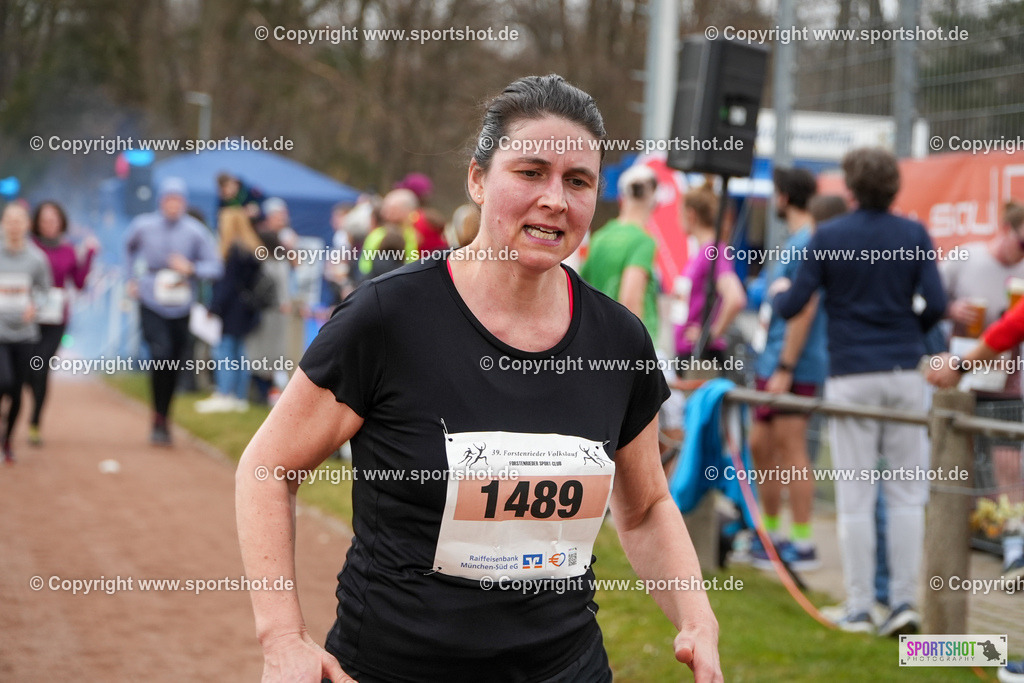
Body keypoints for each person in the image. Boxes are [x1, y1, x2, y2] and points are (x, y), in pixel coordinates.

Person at [236, 74, 722, 683]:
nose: (555, 200)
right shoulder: (389, 319)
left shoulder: (618, 341)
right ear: (477, 178)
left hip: (565, 669)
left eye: (578, 182)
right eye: (530, 172)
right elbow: (267, 469)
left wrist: (697, 616)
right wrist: (282, 638)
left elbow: (646, 505)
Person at [775, 147, 947, 636]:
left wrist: (779, 293)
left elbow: (793, 306)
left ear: (849, 189)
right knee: (907, 494)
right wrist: (905, 328)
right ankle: (903, 603)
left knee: (855, 494)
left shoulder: (829, 236)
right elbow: (936, 304)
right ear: (894, 187)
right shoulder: (913, 234)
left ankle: (858, 606)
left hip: (852, 374)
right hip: (904, 371)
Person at [748, 168, 828, 571]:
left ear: (783, 197)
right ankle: (771, 535)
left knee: (792, 449)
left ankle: (802, 544)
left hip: (794, 364)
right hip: (772, 359)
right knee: (761, 444)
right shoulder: (793, 241)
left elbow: (807, 308)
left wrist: (786, 365)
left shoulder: (811, 241)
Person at [125, 177, 223, 445]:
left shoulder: (195, 232)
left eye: (178, 200)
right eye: (169, 199)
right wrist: (130, 280)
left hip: (181, 304)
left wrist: (191, 269)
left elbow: (215, 267)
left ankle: (164, 416)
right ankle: (158, 417)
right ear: (160, 201)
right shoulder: (143, 226)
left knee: (174, 362)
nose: (173, 205)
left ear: (185, 203)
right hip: (151, 300)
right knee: (160, 353)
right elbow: (128, 249)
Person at [28, 200, 98, 445]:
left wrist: (89, 254)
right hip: (28, 318)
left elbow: (78, 283)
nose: (49, 224)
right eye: (45, 220)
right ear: (37, 223)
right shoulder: (29, 248)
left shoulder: (68, 250)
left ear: (61, 223)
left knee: (40, 368)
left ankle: (35, 422)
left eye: (54, 220)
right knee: (23, 370)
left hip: (56, 320)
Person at [195, 208, 265, 413]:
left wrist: (214, 306)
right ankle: (239, 396)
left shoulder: (233, 251)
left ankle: (226, 393)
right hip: (246, 310)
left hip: (231, 310)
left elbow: (227, 284)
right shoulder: (250, 250)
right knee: (240, 353)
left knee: (225, 352)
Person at [0, 203, 52, 463]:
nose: (14, 226)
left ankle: (7, 439)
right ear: (2, 224)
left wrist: (36, 306)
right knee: (3, 382)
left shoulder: (36, 258)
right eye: (9, 220)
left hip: (24, 334)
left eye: (19, 221)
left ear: (27, 225)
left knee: (17, 390)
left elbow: (45, 290)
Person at [675, 183, 746, 363]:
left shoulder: (714, 250)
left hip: (701, 357)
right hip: (691, 354)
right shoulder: (702, 252)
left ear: (690, 215)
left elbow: (735, 298)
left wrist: (710, 335)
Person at [248, 197, 295, 405]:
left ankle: (266, 391)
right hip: (270, 310)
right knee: (268, 353)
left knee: (269, 353)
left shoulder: (283, 244)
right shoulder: (269, 254)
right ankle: (264, 391)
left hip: (270, 310)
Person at [357, 188, 419, 278]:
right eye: (385, 208)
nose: (385, 213)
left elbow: (412, 263)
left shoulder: (412, 233)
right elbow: (365, 267)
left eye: (392, 209)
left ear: (407, 210)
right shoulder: (378, 234)